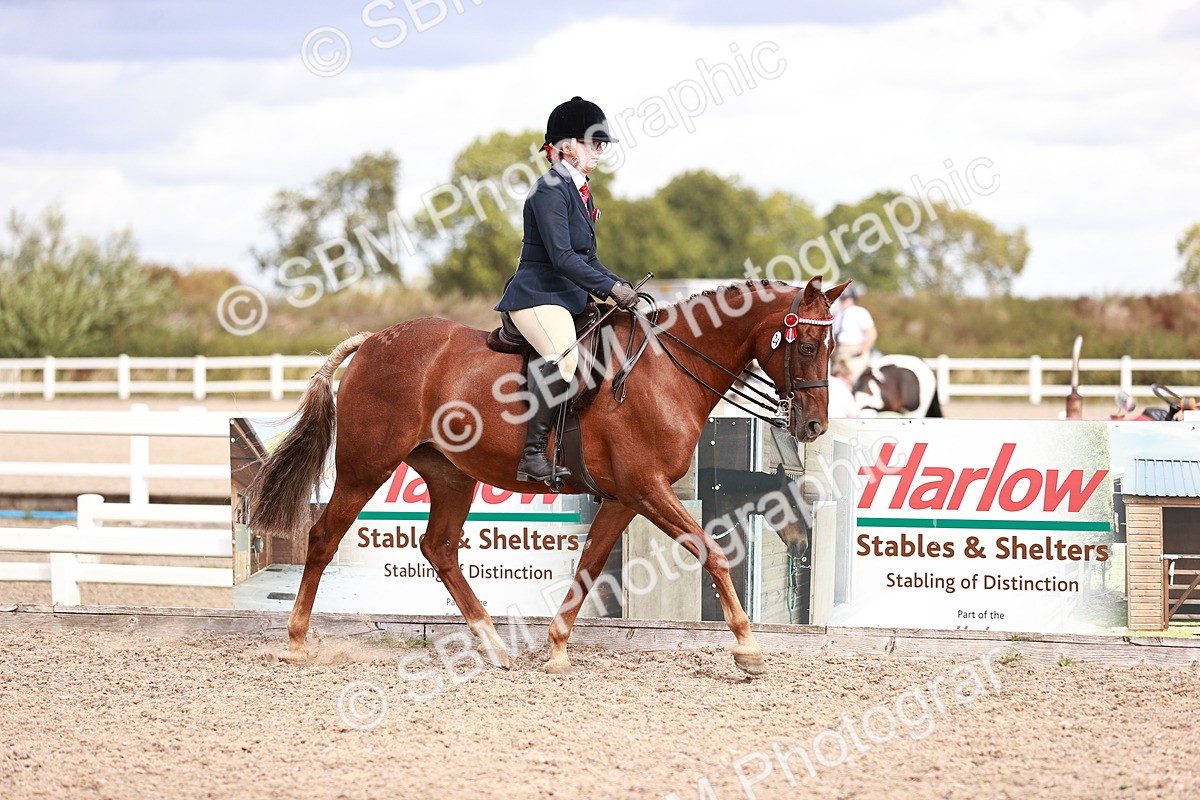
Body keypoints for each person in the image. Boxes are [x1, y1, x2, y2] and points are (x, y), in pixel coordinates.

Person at [495, 96, 639, 486]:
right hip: (538, 295)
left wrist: (620, 287)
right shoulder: (549, 190)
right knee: (563, 360)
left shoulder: (579, 191)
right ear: (565, 147)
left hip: (566, 296)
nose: (600, 150)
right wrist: (609, 288)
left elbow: (586, 258)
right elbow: (561, 257)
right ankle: (531, 455)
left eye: (601, 143)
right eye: (593, 142)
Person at [832, 283, 877, 386]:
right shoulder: (838, 315)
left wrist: (862, 350)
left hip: (856, 352)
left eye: (846, 298)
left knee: (849, 379)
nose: (843, 301)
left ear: (853, 299)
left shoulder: (860, 312)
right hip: (841, 352)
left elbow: (871, 333)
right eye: (841, 299)